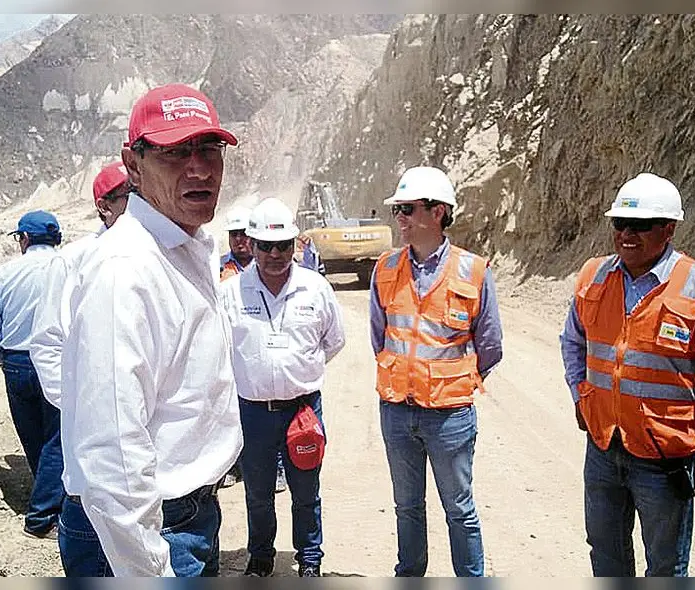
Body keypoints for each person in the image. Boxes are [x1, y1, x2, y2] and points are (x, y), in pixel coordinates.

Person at [62, 83, 242, 577]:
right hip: (148, 529)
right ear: (134, 164)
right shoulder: (126, 270)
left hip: (186, 513)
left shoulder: (189, 247)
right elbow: (112, 449)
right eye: (174, 152)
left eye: (208, 149)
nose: (199, 167)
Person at [559, 173, 695, 576]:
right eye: (620, 224)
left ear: (669, 228)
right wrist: (580, 394)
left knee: (665, 566)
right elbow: (573, 341)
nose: (627, 234)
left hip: (665, 456)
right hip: (604, 446)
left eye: (640, 226)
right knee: (606, 554)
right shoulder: (594, 275)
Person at [369, 166, 503, 577]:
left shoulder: (473, 271)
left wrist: (448, 380)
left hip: (449, 416)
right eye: (398, 211)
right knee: (407, 507)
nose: (401, 219)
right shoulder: (385, 268)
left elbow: (490, 346)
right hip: (397, 411)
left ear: (439, 212)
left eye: (408, 209)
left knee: (459, 509)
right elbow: (380, 337)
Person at [221, 197, 345, 578]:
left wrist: (297, 372)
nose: (275, 254)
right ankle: (261, 558)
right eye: (265, 246)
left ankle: (310, 560)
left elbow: (334, 341)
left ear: (295, 245)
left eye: (284, 246)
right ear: (251, 245)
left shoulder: (315, 288)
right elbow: (222, 349)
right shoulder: (231, 292)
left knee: (306, 492)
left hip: (302, 410)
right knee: (258, 493)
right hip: (253, 413)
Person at [28, 161, 129, 576]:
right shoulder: (74, 260)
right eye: (131, 199)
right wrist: (78, 405)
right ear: (104, 207)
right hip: (95, 445)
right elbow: (47, 342)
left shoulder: (171, 252)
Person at [0, 210, 65, 540]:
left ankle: (46, 502)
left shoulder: (2, 274)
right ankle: (43, 515)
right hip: (57, 360)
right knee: (58, 438)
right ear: (56, 238)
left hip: (16, 363)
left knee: (34, 438)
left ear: (24, 239)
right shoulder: (69, 267)